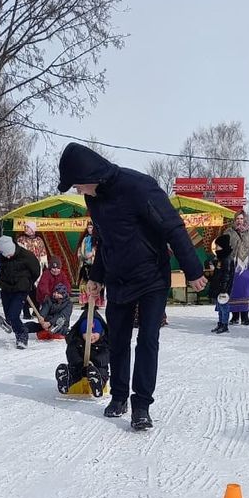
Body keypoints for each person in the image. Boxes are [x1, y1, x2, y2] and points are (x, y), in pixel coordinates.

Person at [58, 142, 207, 431]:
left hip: (152, 276)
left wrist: (193, 268)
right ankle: (119, 396)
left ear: (91, 176)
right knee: (118, 340)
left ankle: (141, 405)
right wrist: (97, 276)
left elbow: (172, 226)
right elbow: (104, 240)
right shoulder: (95, 199)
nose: (78, 191)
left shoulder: (139, 187)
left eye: (78, 184)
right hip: (118, 277)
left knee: (148, 339)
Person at [55, 305, 110, 397]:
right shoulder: (76, 341)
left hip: (96, 367)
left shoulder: (104, 343)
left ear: (100, 332)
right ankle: (67, 381)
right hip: (79, 366)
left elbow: (106, 355)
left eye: (94, 332)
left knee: (102, 372)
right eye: (86, 333)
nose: (90, 336)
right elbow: (71, 353)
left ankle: (98, 384)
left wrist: (94, 362)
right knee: (73, 370)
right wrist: (79, 363)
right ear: (81, 333)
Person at [0, 234, 41, 349]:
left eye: (9, 254)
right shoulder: (1, 256)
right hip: (6, 288)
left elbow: (36, 270)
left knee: (13, 314)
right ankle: (13, 326)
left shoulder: (26, 255)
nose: (7, 257)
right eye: (4, 254)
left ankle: (22, 334)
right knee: (8, 315)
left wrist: (28, 282)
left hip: (21, 289)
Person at [222, 211, 249, 326]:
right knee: (233, 290)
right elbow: (223, 248)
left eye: (241, 218)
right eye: (237, 219)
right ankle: (234, 316)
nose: (239, 221)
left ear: (245, 219)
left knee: (246, 291)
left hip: (247, 266)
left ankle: (245, 317)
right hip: (232, 265)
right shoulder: (229, 232)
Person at [208, 233, 235, 334]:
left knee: (224, 307)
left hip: (224, 288)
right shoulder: (220, 258)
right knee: (219, 307)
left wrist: (224, 288)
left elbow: (227, 275)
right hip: (219, 287)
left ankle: (225, 325)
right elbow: (218, 273)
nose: (216, 248)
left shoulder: (227, 258)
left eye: (218, 246)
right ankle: (220, 323)